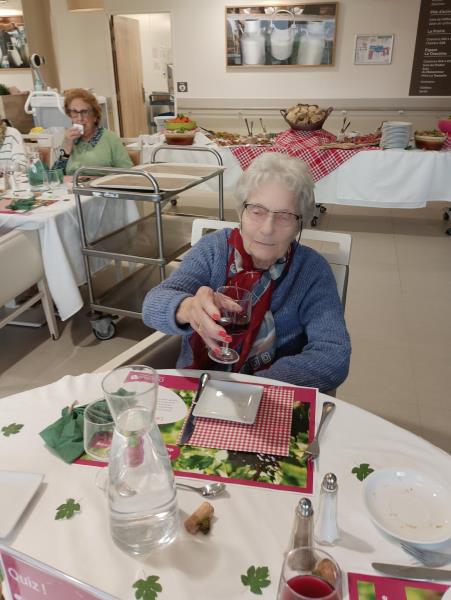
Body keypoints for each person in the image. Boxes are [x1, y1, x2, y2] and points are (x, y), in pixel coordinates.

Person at [142, 153, 351, 392]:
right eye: (257, 211)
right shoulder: (213, 250)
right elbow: (152, 306)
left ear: (299, 225)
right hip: (198, 387)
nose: (267, 229)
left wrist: (254, 387)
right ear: (241, 211)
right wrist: (187, 308)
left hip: (270, 394)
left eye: (285, 216)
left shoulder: (311, 271)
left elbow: (334, 356)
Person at [52, 88, 132, 175]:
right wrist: (66, 149)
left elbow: (129, 173)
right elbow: (55, 176)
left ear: (95, 116)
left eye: (84, 112)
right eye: (74, 112)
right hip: (72, 184)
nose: (80, 118)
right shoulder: (69, 139)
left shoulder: (111, 139)